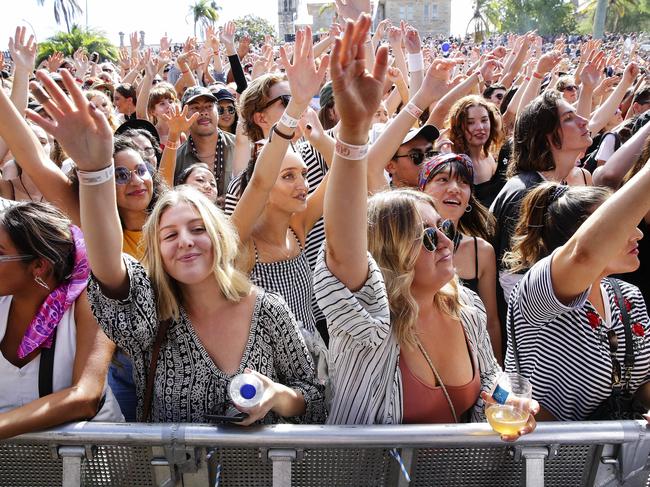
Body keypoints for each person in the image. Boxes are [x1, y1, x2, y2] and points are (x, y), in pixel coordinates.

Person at [28, 68, 326, 425]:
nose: (185, 241)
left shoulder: (268, 310)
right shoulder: (150, 316)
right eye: (169, 235)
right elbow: (108, 266)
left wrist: (278, 395)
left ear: (219, 237)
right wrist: (94, 171)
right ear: (157, 252)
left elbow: (312, 397)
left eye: (198, 229)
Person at [313, 14, 536, 434]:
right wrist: (355, 133)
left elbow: (490, 379)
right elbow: (344, 244)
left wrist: (509, 399)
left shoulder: (464, 307)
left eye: (445, 230)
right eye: (429, 236)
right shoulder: (369, 320)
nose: (446, 242)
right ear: (390, 250)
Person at [504, 178, 650, 421]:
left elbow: (642, 381)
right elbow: (582, 256)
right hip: (546, 455)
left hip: (618, 456)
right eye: (621, 225)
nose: (638, 233)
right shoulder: (535, 293)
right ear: (580, 236)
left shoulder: (628, 296)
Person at [0, 202, 123, 439]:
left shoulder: (90, 300)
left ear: (38, 265)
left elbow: (85, 397)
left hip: (89, 463)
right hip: (13, 466)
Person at [490, 89, 592, 299]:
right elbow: (514, 283)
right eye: (569, 118)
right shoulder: (526, 193)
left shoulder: (547, 185)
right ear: (546, 137)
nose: (584, 121)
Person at [419, 153, 503, 363]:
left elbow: (490, 321)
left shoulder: (481, 251)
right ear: (422, 190)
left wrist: (498, 373)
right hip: (422, 359)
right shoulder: (408, 245)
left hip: (470, 362)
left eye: (464, 182)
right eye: (443, 179)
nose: (455, 188)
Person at [173, 86, 236, 198]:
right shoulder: (176, 160)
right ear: (184, 114)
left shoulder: (239, 146)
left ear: (217, 111)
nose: (203, 112)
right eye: (195, 107)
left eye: (209, 106)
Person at [447, 95, 505, 207]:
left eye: (484, 120)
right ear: (458, 127)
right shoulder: (454, 163)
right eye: (470, 122)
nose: (480, 127)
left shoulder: (489, 157)